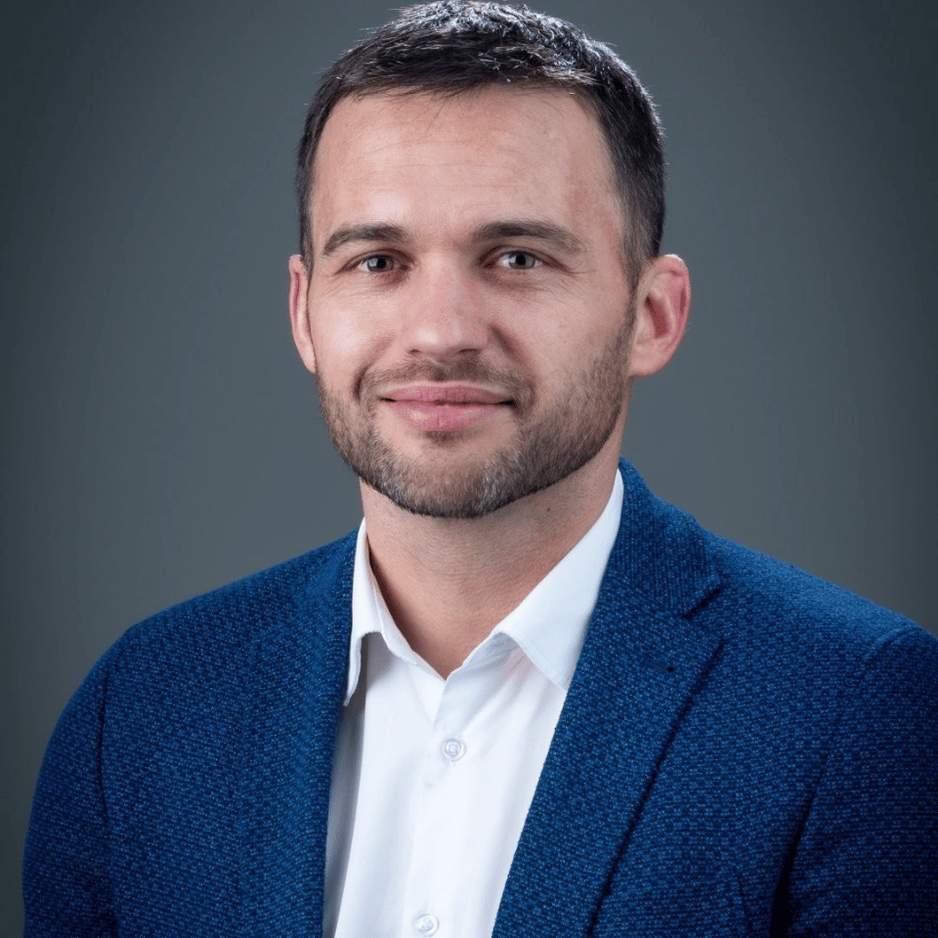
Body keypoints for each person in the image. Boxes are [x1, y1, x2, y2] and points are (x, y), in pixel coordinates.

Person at [23, 1, 938, 935]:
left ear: (652, 316)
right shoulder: (139, 713)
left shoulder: (857, 710)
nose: (441, 333)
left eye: (517, 257)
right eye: (378, 261)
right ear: (304, 314)